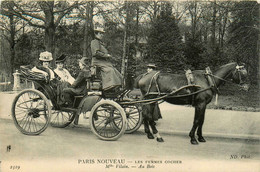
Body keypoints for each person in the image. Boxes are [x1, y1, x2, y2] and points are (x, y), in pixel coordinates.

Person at [91, 27, 123, 92]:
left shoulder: (100, 43)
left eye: (102, 33)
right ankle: (108, 86)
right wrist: (106, 55)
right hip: (97, 61)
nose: (102, 35)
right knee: (110, 70)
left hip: (103, 61)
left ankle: (116, 87)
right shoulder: (94, 42)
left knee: (116, 71)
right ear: (96, 34)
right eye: (100, 33)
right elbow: (96, 53)